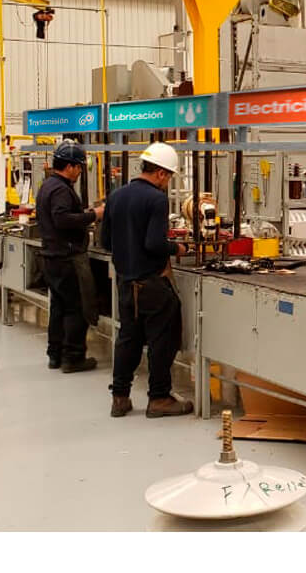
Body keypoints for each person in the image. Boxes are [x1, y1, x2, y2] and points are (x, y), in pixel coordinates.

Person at [102, 142, 192, 418]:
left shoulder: (116, 195)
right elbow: (154, 243)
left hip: (125, 284)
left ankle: (120, 397)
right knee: (162, 340)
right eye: (169, 177)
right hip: (152, 284)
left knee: (128, 339)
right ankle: (159, 398)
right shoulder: (156, 199)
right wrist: (178, 248)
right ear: (161, 173)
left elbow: (105, 241)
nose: (167, 182)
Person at [35, 140, 103, 373]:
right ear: (70, 166)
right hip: (67, 258)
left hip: (52, 257)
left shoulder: (48, 185)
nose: (80, 171)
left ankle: (55, 354)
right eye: (79, 167)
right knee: (76, 308)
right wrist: (94, 215)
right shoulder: (61, 190)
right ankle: (73, 358)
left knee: (59, 307)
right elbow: (62, 219)